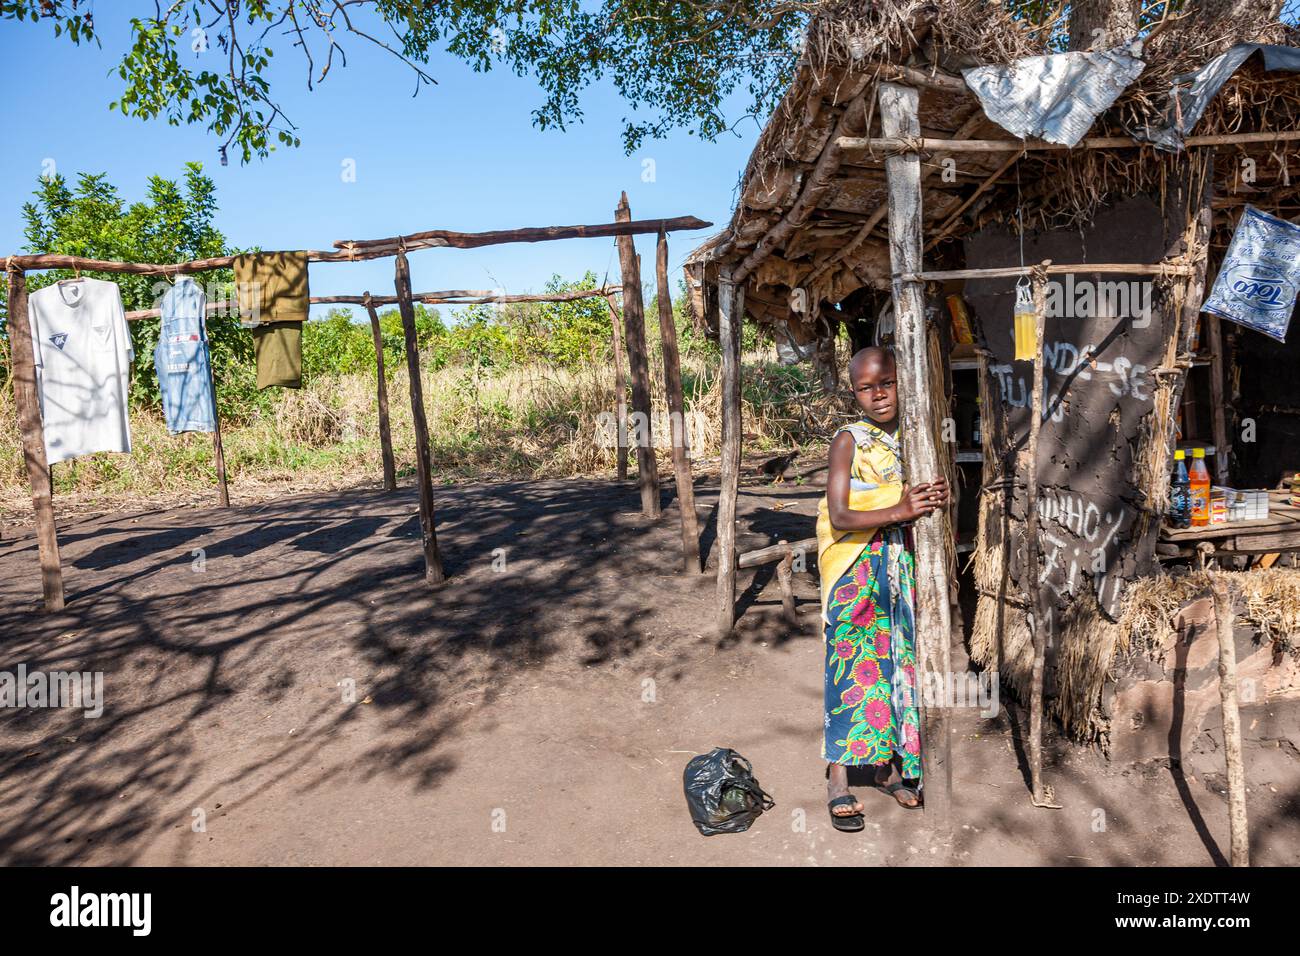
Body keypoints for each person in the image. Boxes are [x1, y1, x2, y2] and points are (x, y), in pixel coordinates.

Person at [815, 347, 949, 831]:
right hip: (854, 572)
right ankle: (838, 779)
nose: (878, 395)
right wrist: (901, 508)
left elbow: (924, 494)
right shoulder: (848, 441)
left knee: (897, 667)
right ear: (855, 393)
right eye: (867, 388)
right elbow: (840, 515)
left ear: (899, 382)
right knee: (850, 669)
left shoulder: (912, 440)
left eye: (886, 383)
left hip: (897, 569)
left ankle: (887, 766)